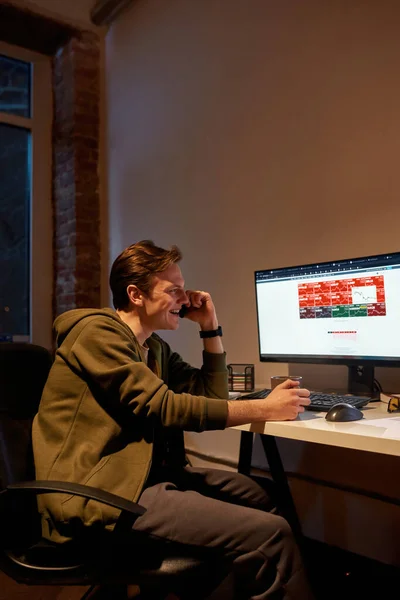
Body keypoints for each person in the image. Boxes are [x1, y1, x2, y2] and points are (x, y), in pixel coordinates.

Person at [32, 240, 314, 599]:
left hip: (146, 475)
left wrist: (210, 328)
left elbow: (210, 397)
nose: (185, 299)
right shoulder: (96, 334)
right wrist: (263, 408)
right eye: (174, 291)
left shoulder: (155, 349)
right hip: (102, 489)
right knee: (271, 532)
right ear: (136, 294)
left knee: (267, 495)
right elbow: (164, 406)